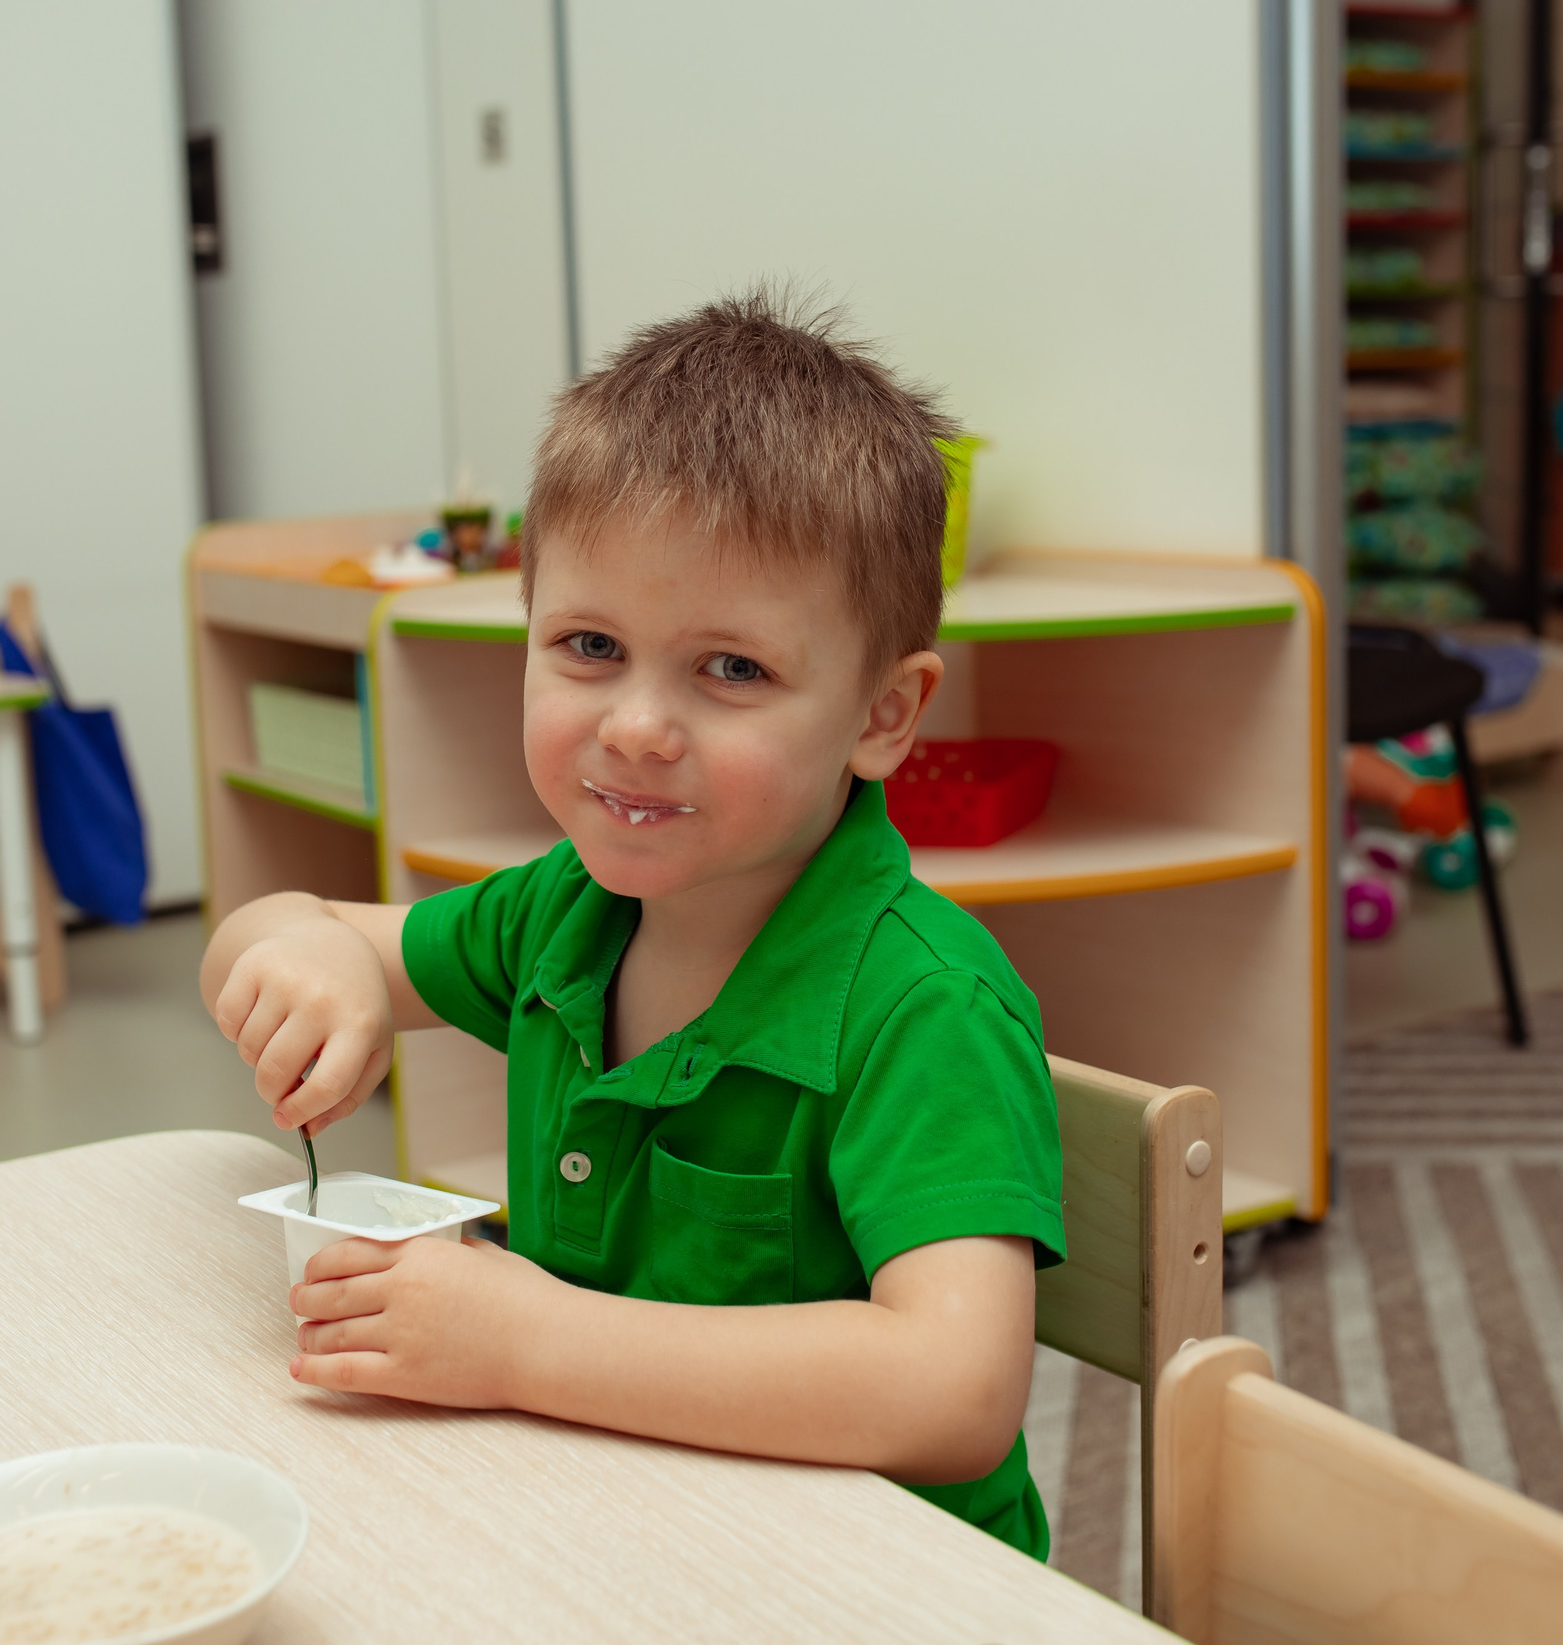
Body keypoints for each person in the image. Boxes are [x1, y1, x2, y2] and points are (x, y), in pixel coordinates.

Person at [199, 290, 1064, 1555]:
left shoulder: (923, 1006)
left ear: (885, 715)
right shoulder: (573, 909)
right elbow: (283, 923)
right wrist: (307, 959)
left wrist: (523, 1340)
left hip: (868, 1591)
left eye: (732, 670)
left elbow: (955, 1393)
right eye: (590, 645)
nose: (637, 727)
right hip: (619, 1533)